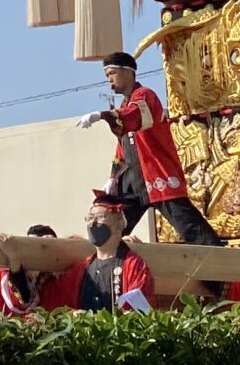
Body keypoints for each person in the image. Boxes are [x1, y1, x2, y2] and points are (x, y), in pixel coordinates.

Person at [88, 52, 220, 245]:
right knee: (113, 224)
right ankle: (100, 262)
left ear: (127, 72)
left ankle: (217, 262)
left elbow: (136, 115)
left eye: (112, 73)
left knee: (190, 227)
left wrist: (103, 115)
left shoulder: (145, 95)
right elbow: (122, 147)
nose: (109, 80)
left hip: (156, 174)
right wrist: (112, 178)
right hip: (133, 182)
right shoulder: (125, 104)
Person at [42, 190, 156, 313]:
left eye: (100, 217)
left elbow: (139, 311)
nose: (93, 223)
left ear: (119, 225)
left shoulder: (134, 265)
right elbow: (52, 302)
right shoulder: (81, 269)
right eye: (90, 218)